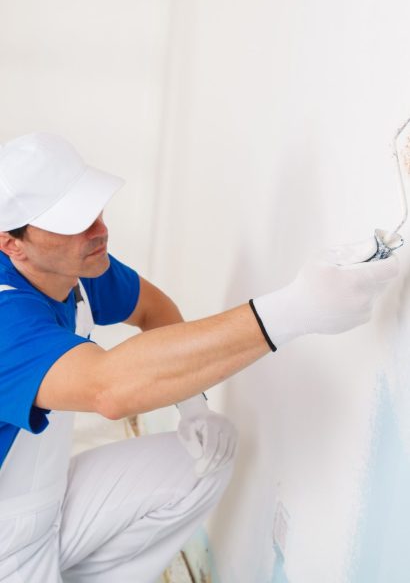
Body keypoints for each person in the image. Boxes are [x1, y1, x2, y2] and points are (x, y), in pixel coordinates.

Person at [0, 133, 398, 583]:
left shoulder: (74, 267)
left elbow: (154, 310)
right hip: (6, 540)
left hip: (49, 503)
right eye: (73, 221)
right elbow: (106, 388)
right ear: (13, 244)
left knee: (205, 455)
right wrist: (293, 310)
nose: (99, 230)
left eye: (94, 208)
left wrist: (194, 408)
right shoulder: (5, 315)